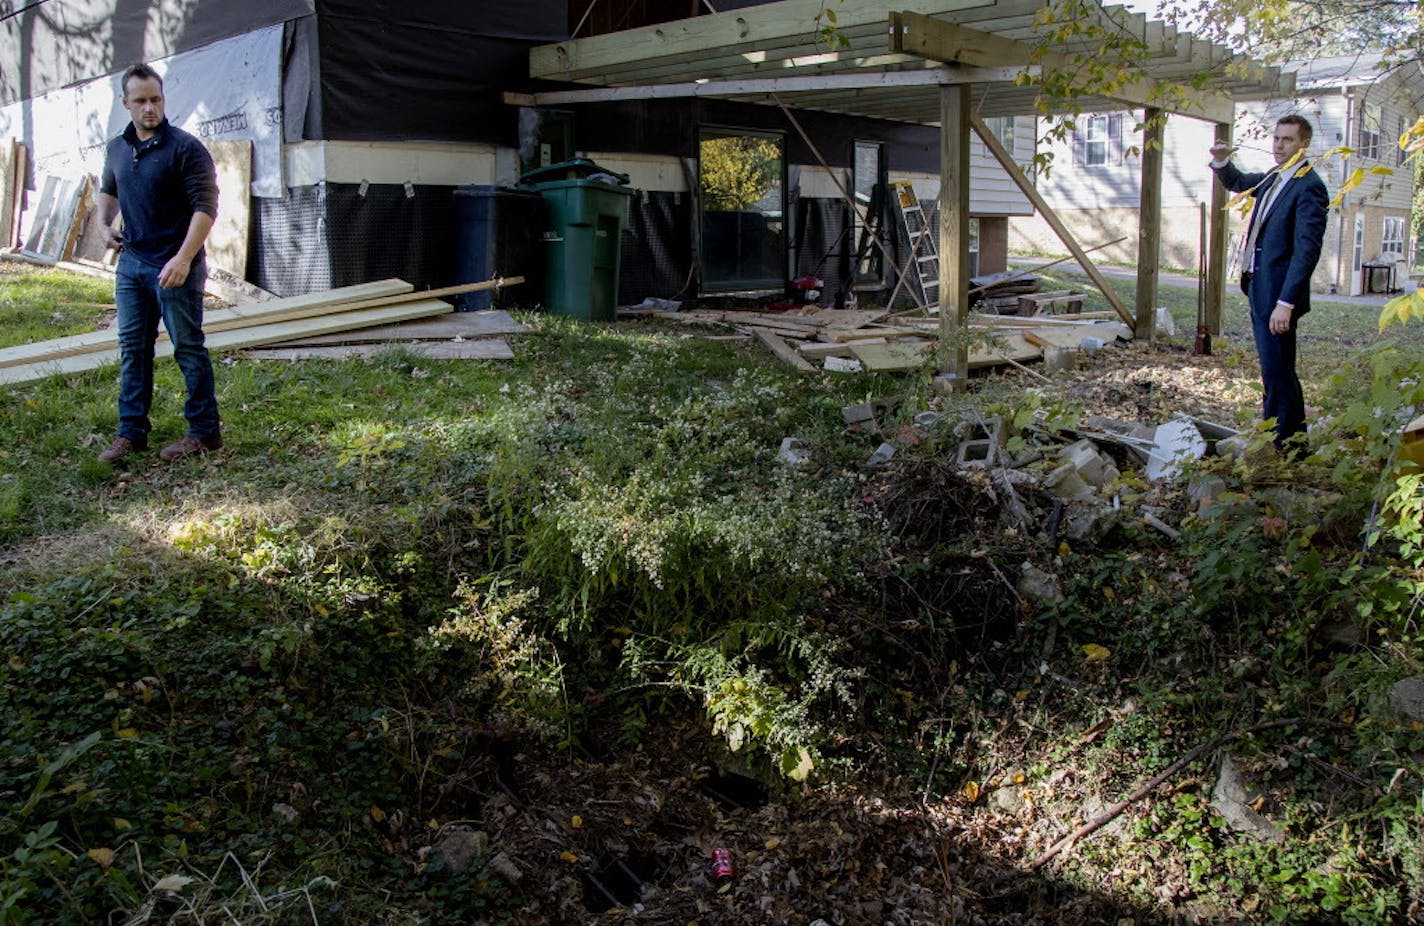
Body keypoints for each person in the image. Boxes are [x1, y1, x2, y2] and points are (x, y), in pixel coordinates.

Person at [95, 63, 222, 464]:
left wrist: (184, 258)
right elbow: (107, 188)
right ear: (125, 103)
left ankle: (204, 432)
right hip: (131, 266)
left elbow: (206, 207)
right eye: (141, 101)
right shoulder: (117, 147)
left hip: (175, 267)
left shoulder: (185, 148)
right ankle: (131, 433)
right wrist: (101, 224)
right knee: (133, 349)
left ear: (163, 99)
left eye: (156, 99)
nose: (150, 108)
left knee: (188, 347)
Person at [1209, 114, 1329, 454]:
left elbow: (1307, 251)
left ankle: (1287, 445)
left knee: (1278, 371)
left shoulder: (1309, 185)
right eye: (1276, 139)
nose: (1279, 145)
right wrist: (1221, 160)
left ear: (1304, 144)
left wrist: (1286, 302)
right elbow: (1238, 181)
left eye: (1287, 140)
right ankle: (1282, 436)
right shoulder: (1275, 176)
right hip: (1259, 287)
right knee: (1274, 368)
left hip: (1278, 294)